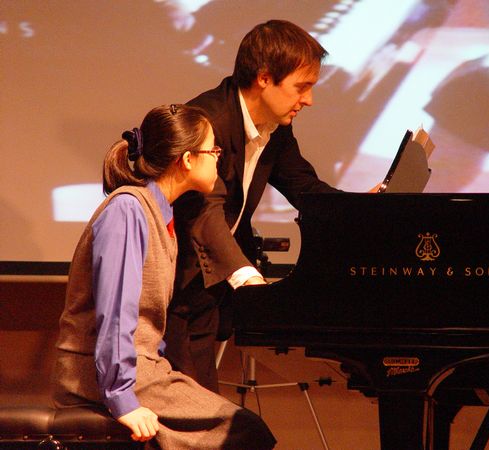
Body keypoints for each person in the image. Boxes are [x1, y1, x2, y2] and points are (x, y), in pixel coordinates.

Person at [52, 104, 276, 450]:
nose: (218, 159)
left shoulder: (160, 212)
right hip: (102, 378)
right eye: (213, 151)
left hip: (144, 370)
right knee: (245, 431)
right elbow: (115, 313)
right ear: (187, 160)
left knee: (238, 427)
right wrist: (122, 399)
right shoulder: (128, 209)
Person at [165, 19, 341, 392]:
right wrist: (248, 279)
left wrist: (357, 210)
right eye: (302, 87)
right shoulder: (207, 123)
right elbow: (206, 214)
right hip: (172, 289)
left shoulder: (276, 127)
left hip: (208, 288)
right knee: (186, 405)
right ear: (264, 78)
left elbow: (303, 186)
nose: (309, 100)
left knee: (201, 403)